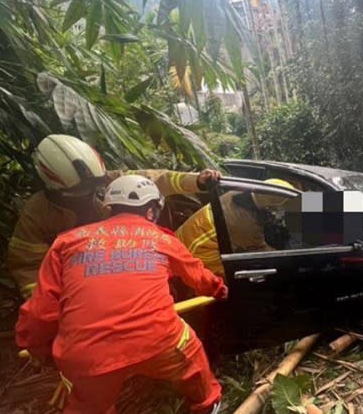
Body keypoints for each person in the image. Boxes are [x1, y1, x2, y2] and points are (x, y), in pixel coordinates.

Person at [15, 175, 229, 414]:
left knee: (88, 404)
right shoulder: (161, 238)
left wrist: (38, 349)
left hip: (86, 355)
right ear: (151, 211)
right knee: (191, 354)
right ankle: (208, 403)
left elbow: (41, 309)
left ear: (109, 208)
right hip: (158, 340)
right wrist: (218, 289)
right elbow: (198, 275)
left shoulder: (67, 242)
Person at [7, 134, 220, 297]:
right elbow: (27, 267)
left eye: (95, 186)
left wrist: (195, 181)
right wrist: (53, 305)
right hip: (78, 286)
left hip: (128, 268)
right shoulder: (37, 214)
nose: (90, 192)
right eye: (81, 190)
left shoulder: (106, 181)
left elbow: (154, 179)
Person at [177, 179, 296, 275]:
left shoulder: (238, 191)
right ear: (271, 205)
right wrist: (287, 257)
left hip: (180, 238)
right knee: (235, 279)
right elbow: (260, 250)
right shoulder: (245, 225)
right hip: (196, 252)